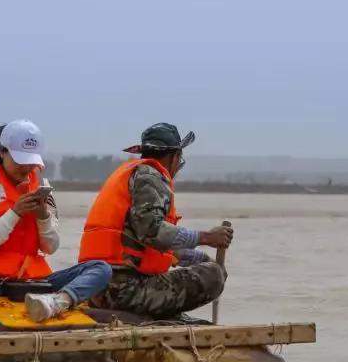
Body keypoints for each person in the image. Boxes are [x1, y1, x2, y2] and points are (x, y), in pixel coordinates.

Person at [0, 119, 112, 333]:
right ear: (2, 152)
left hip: (33, 281)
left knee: (101, 268)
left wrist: (43, 216)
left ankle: (55, 303)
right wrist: (15, 213)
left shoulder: (42, 188)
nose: (26, 168)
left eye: (30, 162)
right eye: (19, 160)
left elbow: (51, 247)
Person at [78, 123, 233, 318]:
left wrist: (197, 258)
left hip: (98, 286)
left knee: (206, 266)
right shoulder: (150, 176)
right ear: (174, 156)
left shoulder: (134, 173)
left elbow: (146, 244)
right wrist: (206, 237)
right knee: (214, 276)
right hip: (122, 291)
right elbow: (151, 231)